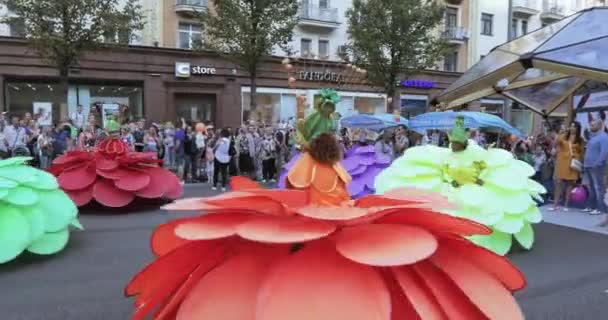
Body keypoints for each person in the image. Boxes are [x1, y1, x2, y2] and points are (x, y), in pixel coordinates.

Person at [551, 121, 584, 212]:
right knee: (558, 182)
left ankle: (566, 204)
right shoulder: (565, 136)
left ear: (578, 129)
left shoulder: (580, 139)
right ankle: (555, 204)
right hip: (562, 162)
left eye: (574, 126)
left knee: (570, 184)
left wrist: (575, 155)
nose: (572, 128)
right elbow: (557, 142)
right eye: (571, 126)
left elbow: (581, 153)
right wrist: (562, 132)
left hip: (572, 163)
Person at [583, 119, 608, 217]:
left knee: (599, 187)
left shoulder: (604, 137)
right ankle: (591, 206)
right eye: (591, 125)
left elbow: (604, 152)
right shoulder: (592, 137)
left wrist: (598, 163)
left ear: (599, 125)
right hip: (588, 165)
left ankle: (600, 208)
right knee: (591, 187)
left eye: (593, 125)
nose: (591, 127)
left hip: (597, 167)